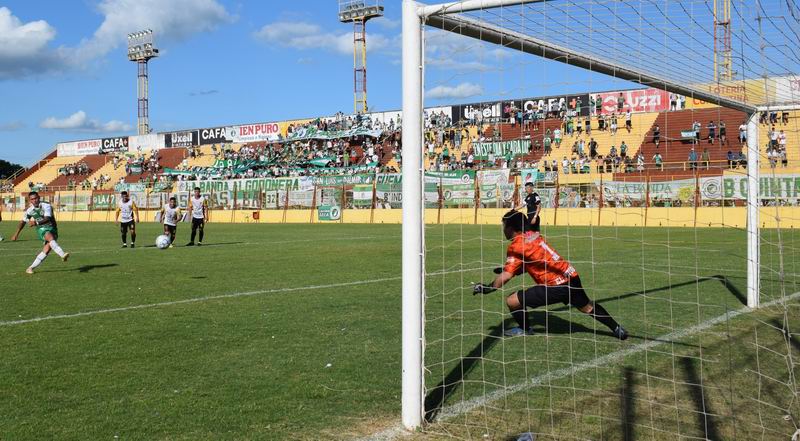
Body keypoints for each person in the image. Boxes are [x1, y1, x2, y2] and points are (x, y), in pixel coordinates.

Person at [473, 210, 629, 339]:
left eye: (504, 225)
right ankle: (617, 329)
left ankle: (525, 329)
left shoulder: (516, 246)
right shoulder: (533, 235)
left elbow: (506, 276)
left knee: (513, 300)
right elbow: (532, 263)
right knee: (587, 307)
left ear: (511, 228)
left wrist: (488, 288)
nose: (503, 229)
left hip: (555, 286)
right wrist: (512, 269)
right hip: (571, 276)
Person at [10, 192, 70, 274]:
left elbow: (47, 218)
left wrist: (35, 223)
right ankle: (62, 254)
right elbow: (23, 222)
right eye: (32, 199)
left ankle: (30, 268)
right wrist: (16, 234)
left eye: (36, 198)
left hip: (53, 228)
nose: (34, 200)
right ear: (30, 200)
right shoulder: (29, 210)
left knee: (46, 250)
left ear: (39, 197)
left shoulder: (46, 205)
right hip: (42, 229)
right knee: (49, 236)